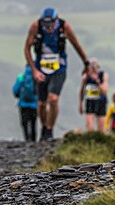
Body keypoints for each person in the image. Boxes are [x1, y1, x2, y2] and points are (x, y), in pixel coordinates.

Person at [23, 7, 90, 141]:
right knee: (42, 103)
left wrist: (86, 63)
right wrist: (34, 71)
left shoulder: (64, 26)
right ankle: (44, 127)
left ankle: (49, 129)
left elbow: (76, 44)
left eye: (51, 23)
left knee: (53, 98)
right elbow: (26, 49)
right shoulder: (36, 26)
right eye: (45, 23)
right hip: (41, 69)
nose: (48, 26)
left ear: (56, 20)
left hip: (59, 68)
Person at [78, 58, 108, 133]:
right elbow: (82, 90)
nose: (94, 70)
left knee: (101, 129)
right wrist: (80, 104)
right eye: (92, 68)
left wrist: (97, 82)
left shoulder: (103, 75)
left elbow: (104, 91)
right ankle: (90, 140)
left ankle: (100, 142)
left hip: (101, 101)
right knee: (89, 127)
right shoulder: (86, 77)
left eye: (96, 68)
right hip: (90, 101)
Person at [13, 65, 38, 142]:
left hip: (23, 105)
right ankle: (34, 140)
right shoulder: (37, 76)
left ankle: (27, 139)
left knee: (25, 123)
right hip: (34, 105)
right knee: (33, 123)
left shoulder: (21, 77)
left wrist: (19, 96)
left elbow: (15, 90)